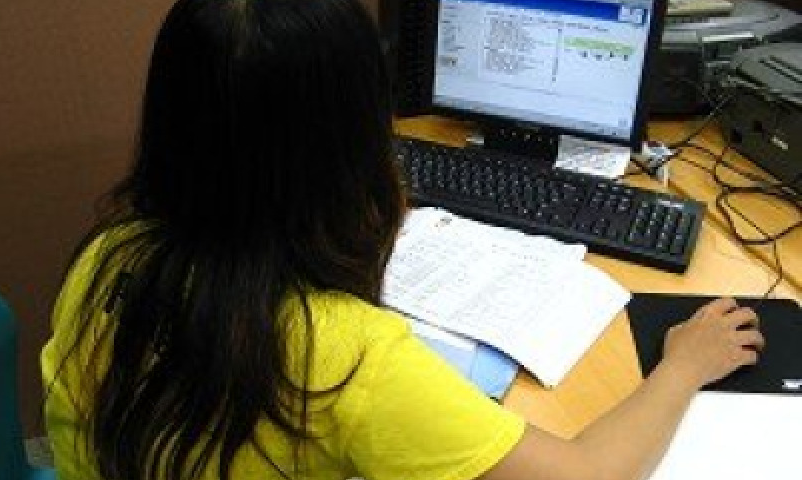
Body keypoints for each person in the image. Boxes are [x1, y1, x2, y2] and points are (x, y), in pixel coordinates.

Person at [41, 1, 765, 479]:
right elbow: (589, 474)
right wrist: (683, 366)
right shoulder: (344, 359)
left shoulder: (107, 256)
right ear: (352, 144)